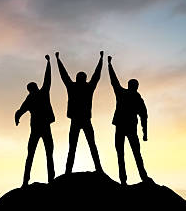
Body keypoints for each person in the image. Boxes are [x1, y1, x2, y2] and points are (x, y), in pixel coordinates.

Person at [55, 51, 104, 174]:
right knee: (89, 146)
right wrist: (101, 59)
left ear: (77, 78)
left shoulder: (74, 87)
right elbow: (96, 75)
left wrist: (58, 60)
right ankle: (97, 169)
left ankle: (69, 171)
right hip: (81, 120)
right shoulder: (87, 87)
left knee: (76, 147)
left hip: (78, 120)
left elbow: (64, 75)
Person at [107, 55, 150, 185]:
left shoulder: (123, 94)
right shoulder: (136, 98)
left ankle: (125, 180)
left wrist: (109, 65)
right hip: (129, 128)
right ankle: (141, 177)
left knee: (123, 154)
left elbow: (113, 81)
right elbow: (144, 117)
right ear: (136, 86)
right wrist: (145, 133)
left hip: (123, 127)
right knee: (134, 153)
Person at [15, 55, 56, 187]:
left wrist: (17, 118)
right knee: (47, 153)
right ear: (35, 88)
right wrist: (49, 63)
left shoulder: (30, 98)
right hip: (42, 128)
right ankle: (49, 179)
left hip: (38, 128)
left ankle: (26, 182)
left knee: (33, 154)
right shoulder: (41, 93)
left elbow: (19, 111)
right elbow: (48, 79)